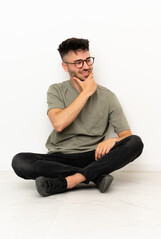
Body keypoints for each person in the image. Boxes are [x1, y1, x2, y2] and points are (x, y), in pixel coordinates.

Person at [11, 37, 144, 197]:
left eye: (88, 60)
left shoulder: (108, 96)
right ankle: (95, 176)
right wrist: (87, 92)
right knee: (19, 161)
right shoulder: (56, 90)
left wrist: (113, 140)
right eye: (78, 62)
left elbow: (126, 136)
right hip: (59, 158)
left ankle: (70, 181)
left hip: (93, 156)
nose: (86, 66)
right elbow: (59, 124)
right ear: (65, 66)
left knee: (136, 143)